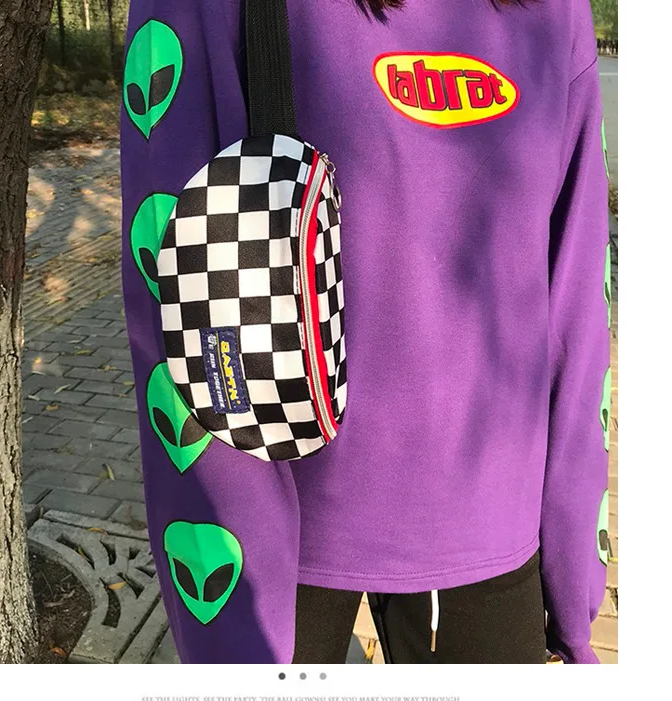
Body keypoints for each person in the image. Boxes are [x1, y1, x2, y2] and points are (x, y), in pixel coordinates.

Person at [120, 0, 610, 664]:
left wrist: (220, 598)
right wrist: (575, 582)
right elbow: (578, 293)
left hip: (284, 516)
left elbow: (168, 283)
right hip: (467, 511)